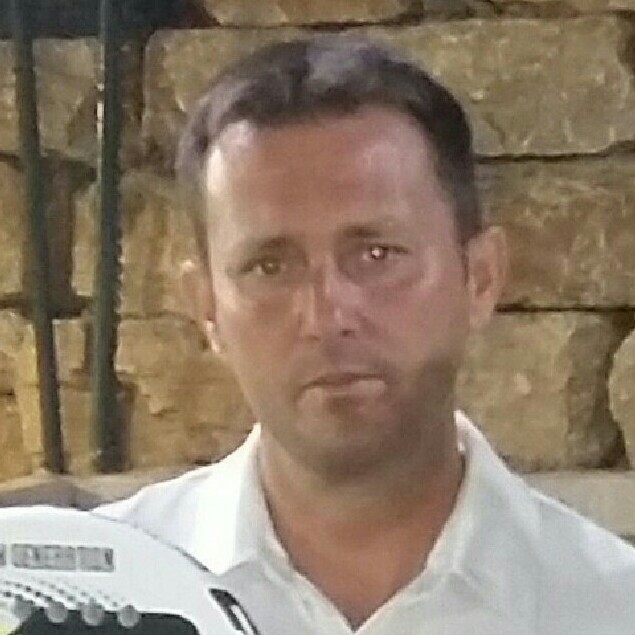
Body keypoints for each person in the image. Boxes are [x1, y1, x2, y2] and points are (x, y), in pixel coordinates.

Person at [96, 36, 635, 634]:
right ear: (206, 308)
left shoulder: (610, 608)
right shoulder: (95, 601)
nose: (327, 316)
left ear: (480, 278)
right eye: (269, 267)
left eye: (377, 254)